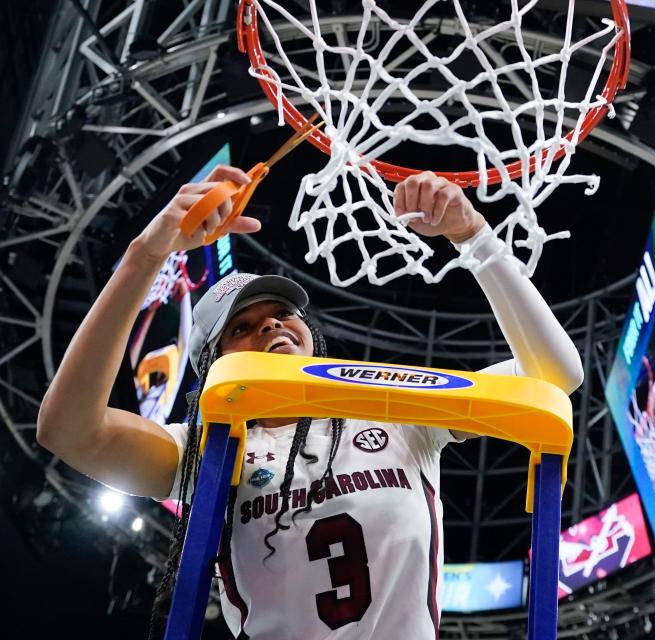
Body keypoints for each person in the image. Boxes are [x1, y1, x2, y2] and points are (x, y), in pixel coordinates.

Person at [36, 165, 583, 639]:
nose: (270, 323)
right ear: (211, 367)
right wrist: (145, 254)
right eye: (243, 327)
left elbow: (555, 376)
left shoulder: (396, 408)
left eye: (281, 312)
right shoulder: (205, 450)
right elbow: (69, 430)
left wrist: (474, 238)